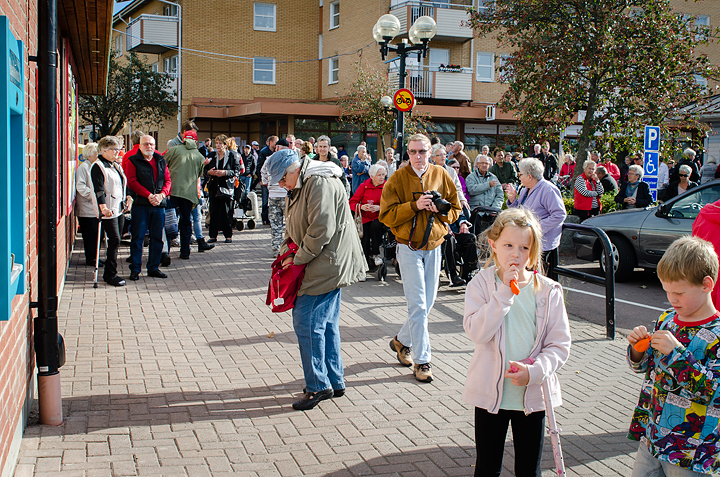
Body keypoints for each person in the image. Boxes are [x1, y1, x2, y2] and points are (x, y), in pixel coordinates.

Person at [463, 207, 571, 477]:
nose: (516, 254)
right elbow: (477, 333)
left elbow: (559, 345)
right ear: (493, 245)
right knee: (487, 467)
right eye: (509, 245)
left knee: (528, 468)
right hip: (491, 395)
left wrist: (534, 372)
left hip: (532, 395)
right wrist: (502, 294)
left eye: (524, 247)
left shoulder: (548, 290)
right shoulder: (480, 284)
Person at [265, 148, 366, 411]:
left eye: (280, 179)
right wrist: (288, 249)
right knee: (326, 323)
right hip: (325, 260)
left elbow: (321, 229)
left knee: (307, 322)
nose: (279, 185)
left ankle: (318, 385)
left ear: (293, 171)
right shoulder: (304, 182)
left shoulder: (316, 182)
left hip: (326, 262)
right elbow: (298, 225)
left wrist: (297, 258)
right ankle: (334, 379)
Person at [626, 236, 720, 476]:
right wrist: (638, 351)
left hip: (693, 449)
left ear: (707, 284)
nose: (671, 299)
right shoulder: (666, 319)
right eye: (667, 291)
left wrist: (676, 354)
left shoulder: (717, 334)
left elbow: (713, 392)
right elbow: (648, 370)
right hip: (652, 436)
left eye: (679, 292)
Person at [379, 133, 461, 383]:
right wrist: (414, 206)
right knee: (418, 305)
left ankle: (402, 341)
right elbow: (386, 215)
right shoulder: (397, 178)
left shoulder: (441, 174)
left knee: (429, 302)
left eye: (422, 152)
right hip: (408, 247)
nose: (417, 157)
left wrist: (440, 209)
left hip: (434, 244)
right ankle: (422, 361)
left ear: (430, 152)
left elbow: (455, 210)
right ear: (408, 154)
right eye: (413, 152)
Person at [125, 134, 171, 280]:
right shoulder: (133, 161)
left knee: (157, 238)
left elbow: (168, 180)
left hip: (158, 205)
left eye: (151, 144)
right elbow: (131, 181)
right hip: (141, 205)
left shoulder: (161, 160)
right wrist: (148, 195)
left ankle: (153, 268)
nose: (148, 147)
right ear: (140, 145)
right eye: (145, 144)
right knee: (138, 238)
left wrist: (161, 195)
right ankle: (135, 269)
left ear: (155, 146)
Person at [505, 158, 567, 264]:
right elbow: (519, 212)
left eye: (521, 174)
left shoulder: (548, 189)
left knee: (537, 276)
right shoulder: (525, 189)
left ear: (530, 176)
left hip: (542, 243)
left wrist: (536, 228)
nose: (519, 178)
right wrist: (512, 200)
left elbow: (559, 214)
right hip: (526, 240)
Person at [91, 136, 133, 287]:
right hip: (108, 209)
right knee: (114, 240)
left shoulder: (115, 165)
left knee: (117, 241)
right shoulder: (98, 166)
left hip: (119, 208)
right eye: (114, 150)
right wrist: (103, 208)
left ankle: (110, 271)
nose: (118, 152)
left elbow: (124, 183)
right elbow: (98, 189)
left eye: (119, 149)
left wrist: (128, 197)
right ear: (103, 150)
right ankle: (110, 274)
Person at [164, 130, 210, 258]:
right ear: (195, 141)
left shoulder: (174, 150)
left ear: (183, 139)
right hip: (189, 194)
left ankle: (165, 251)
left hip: (171, 191)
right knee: (186, 221)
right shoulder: (199, 156)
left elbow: (163, 165)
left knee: (168, 222)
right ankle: (185, 252)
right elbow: (198, 175)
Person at [349, 163, 386, 271]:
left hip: (380, 217)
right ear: (372, 176)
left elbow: (392, 204)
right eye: (379, 175)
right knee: (364, 237)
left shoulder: (387, 187)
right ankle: (363, 265)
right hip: (365, 217)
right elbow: (352, 203)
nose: (382, 177)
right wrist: (362, 207)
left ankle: (375, 254)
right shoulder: (363, 186)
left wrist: (380, 208)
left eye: (383, 175)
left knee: (375, 226)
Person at [205, 134, 241, 243]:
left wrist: (225, 172)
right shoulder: (212, 155)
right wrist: (209, 172)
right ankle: (212, 236)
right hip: (214, 187)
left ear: (225, 145)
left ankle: (228, 235)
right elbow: (205, 170)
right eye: (216, 143)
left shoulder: (232, 155)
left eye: (220, 143)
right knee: (213, 212)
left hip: (226, 187)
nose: (218, 145)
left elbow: (236, 171)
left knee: (227, 212)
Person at [75, 143, 103, 266]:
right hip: (86, 208)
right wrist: (94, 196)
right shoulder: (83, 168)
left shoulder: (95, 166)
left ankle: (95, 256)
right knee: (90, 235)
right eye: (96, 154)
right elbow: (80, 186)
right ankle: (91, 258)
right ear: (89, 154)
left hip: (95, 208)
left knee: (96, 234)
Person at [262, 139, 290, 256]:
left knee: (275, 224)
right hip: (286, 195)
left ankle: (276, 249)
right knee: (289, 224)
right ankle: (288, 249)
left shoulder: (269, 159)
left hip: (273, 195)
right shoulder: (290, 160)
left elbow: (263, 172)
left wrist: (267, 182)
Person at [443, 209, 477, 286]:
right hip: (441, 234)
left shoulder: (453, 198)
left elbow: (460, 214)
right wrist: (444, 227)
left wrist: (463, 223)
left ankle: (467, 273)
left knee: (471, 238)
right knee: (449, 239)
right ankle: (453, 275)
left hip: (455, 231)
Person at [255, 135, 277, 225]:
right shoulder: (264, 152)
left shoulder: (276, 152)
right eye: (276, 142)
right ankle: (264, 218)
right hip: (265, 179)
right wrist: (261, 179)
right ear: (271, 142)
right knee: (265, 199)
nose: (277, 144)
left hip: (274, 180)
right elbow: (259, 166)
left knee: (272, 200)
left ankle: (271, 217)